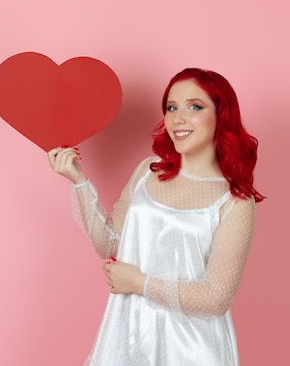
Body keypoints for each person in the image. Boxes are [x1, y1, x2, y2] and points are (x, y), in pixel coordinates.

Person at [47, 68, 265, 366]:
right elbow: (109, 243)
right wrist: (79, 181)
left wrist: (140, 283)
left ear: (222, 115)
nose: (178, 118)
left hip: (192, 350)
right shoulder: (149, 171)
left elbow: (216, 297)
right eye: (171, 107)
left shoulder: (235, 200)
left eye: (195, 106)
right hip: (129, 336)